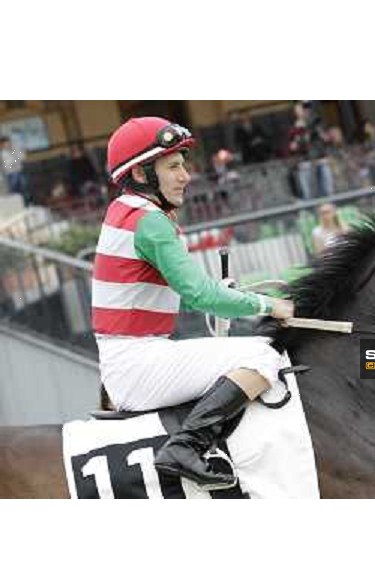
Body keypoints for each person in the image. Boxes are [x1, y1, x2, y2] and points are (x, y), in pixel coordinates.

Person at [94, 116, 294, 490]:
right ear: (140, 173)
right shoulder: (149, 221)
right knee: (264, 356)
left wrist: (232, 294)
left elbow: (192, 291)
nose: (185, 175)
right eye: (173, 166)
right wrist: (271, 306)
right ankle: (186, 446)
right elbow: (201, 295)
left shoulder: (124, 210)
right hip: (137, 363)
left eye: (183, 164)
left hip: (128, 360)